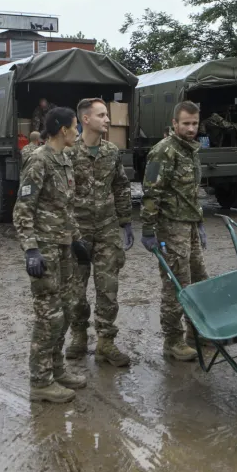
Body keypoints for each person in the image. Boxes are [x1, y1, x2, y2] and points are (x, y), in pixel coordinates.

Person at [13, 107, 92, 403]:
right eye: (76, 127)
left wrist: (77, 241)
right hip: (44, 250)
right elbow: (23, 209)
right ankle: (40, 381)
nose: (78, 132)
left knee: (66, 311)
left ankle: (57, 369)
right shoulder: (39, 160)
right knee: (49, 316)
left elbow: (65, 207)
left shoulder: (64, 160)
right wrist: (31, 250)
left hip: (62, 247)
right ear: (62, 130)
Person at [64, 98, 134, 368]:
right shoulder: (69, 154)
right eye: (102, 115)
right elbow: (60, 196)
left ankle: (106, 342)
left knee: (108, 289)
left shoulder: (111, 152)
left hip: (106, 230)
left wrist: (126, 220)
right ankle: (79, 336)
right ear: (85, 119)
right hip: (77, 233)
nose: (108, 119)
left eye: (107, 115)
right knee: (75, 291)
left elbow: (121, 185)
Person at [140, 100, 208, 362]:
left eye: (194, 123)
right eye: (186, 124)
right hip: (170, 227)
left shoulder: (191, 151)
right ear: (174, 124)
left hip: (189, 225)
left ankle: (197, 332)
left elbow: (190, 191)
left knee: (200, 280)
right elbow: (151, 191)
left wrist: (199, 221)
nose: (191, 128)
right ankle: (173, 340)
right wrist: (148, 229)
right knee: (177, 285)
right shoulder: (162, 152)